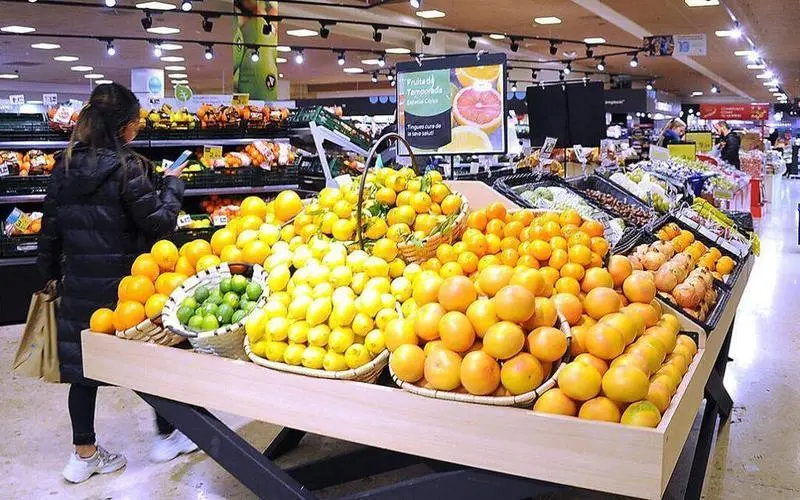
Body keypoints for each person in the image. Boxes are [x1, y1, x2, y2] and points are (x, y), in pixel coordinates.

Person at [37, 83, 197, 484]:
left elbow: (48, 232)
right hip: (129, 289)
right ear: (123, 127)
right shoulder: (128, 168)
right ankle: (166, 437)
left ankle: (82, 455)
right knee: (153, 364)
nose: (138, 130)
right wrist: (173, 185)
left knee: (83, 372)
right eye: (136, 123)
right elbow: (159, 224)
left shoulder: (65, 164)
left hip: (78, 286)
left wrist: (51, 278)